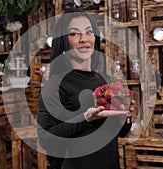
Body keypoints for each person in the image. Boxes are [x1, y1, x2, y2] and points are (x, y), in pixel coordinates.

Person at [37, 8, 134, 169]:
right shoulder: (55, 84)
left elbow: (121, 132)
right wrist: (85, 119)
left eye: (89, 32)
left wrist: (125, 115)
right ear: (64, 41)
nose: (84, 39)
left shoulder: (106, 80)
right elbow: (46, 139)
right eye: (74, 34)